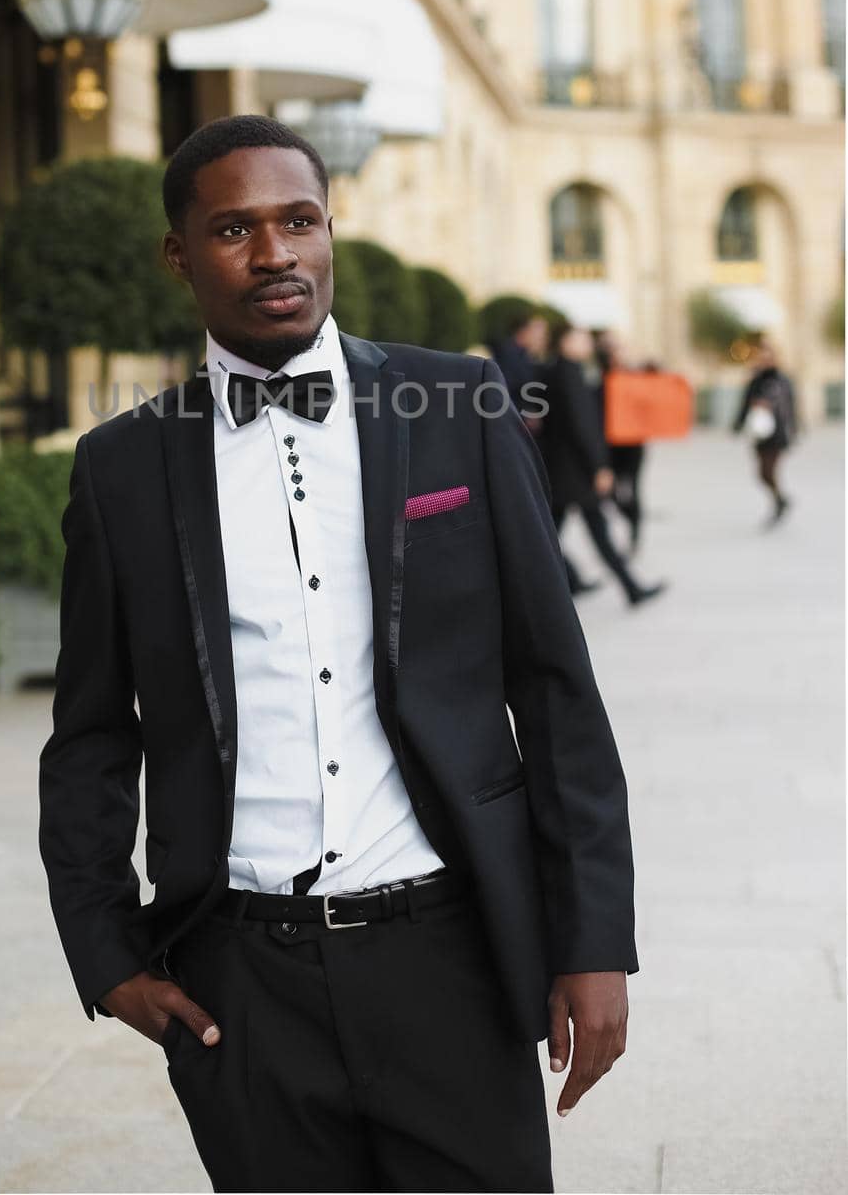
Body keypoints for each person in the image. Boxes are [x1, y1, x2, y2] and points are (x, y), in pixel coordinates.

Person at [39, 115, 638, 1194]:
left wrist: (592, 938)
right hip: (239, 981)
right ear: (179, 254)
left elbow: (552, 690)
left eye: (297, 220)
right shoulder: (118, 467)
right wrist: (105, 951)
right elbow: (88, 731)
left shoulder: (457, 404)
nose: (274, 254)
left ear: (328, 230)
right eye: (233, 229)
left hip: (447, 949)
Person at [540, 322, 667, 609]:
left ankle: (620, 586)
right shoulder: (569, 374)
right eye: (581, 338)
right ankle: (629, 588)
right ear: (565, 342)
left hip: (564, 470)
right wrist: (599, 466)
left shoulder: (557, 370)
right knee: (583, 533)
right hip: (576, 472)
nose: (587, 344)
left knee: (553, 533)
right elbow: (582, 425)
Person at [593, 330, 648, 556]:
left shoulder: (633, 377)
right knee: (610, 491)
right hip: (610, 444)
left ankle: (635, 525)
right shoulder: (599, 379)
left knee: (632, 487)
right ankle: (631, 517)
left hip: (633, 443)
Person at [732, 337, 798, 524]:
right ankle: (780, 499)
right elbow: (745, 403)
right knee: (761, 473)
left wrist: (794, 429)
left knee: (769, 470)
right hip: (759, 432)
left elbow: (791, 406)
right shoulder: (755, 380)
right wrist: (737, 424)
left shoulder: (783, 380)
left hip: (778, 433)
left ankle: (779, 501)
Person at [493, 308, 549, 434]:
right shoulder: (507, 354)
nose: (543, 337)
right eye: (539, 331)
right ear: (523, 331)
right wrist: (526, 413)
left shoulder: (526, 355)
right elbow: (506, 389)